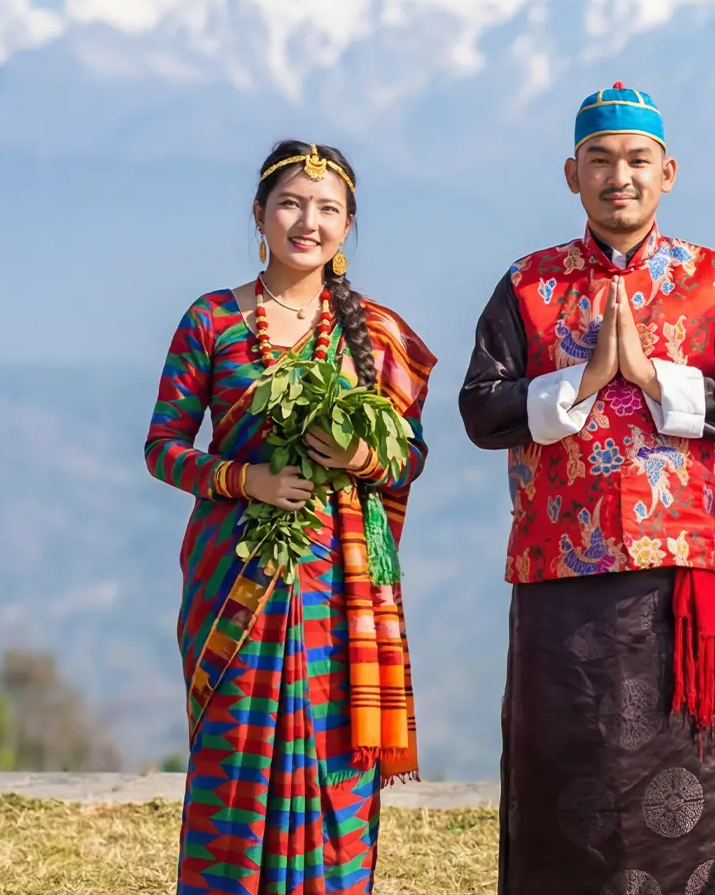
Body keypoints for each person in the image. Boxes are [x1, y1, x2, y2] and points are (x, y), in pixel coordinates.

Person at [459, 82, 715, 895]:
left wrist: (650, 377)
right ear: (572, 174)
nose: (619, 177)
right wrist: (582, 380)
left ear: (668, 172)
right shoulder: (527, 286)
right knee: (563, 770)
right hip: (557, 574)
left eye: (637, 160)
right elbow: (480, 409)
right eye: (599, 161)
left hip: (680, 579)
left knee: (687, 786)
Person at [146, 141, 436, 895]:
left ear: (348, 228)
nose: (308, 222)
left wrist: (356, 460)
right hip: (234, 579)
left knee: (333, 764)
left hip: (341, 594)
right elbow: (163, 448)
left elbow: (409, 459)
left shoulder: (374, 334)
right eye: (291, 204)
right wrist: (247, 479)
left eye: (328, 209)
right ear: (260, 215)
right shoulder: (210, 320)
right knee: (237, 757)